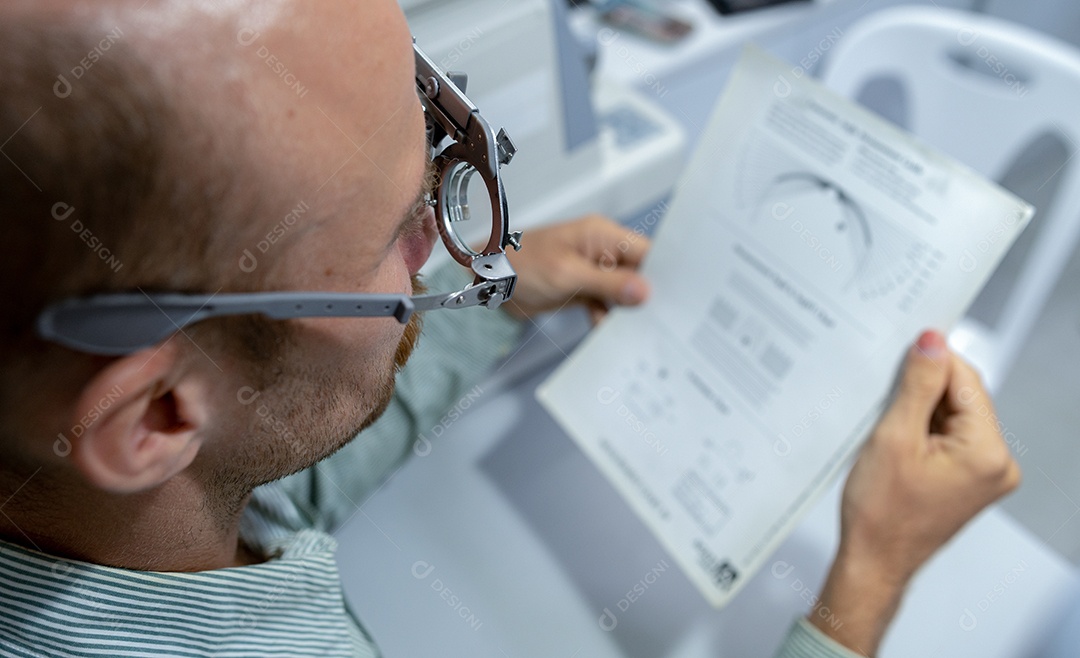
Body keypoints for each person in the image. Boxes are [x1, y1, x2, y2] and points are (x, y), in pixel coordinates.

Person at [0, 0, 1020, 656]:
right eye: (398, 238)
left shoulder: (93, 496)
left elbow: (257, 482)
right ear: (155, 414)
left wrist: (491, 312)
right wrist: (870, 576)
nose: (443, 257)